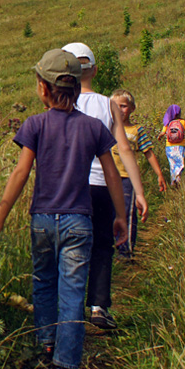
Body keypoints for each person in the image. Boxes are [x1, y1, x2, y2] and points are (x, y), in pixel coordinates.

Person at [0, 49, 128, 369]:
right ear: (76, 88)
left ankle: (46, 345)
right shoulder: (93, 127)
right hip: (79, 221)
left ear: (43, 90)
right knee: (73, 292)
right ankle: (66, 365)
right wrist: (120, 215)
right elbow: (113, 174)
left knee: (44, 285)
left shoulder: (34, 125)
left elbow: (20, 173)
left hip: (43, 221)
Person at [62, 42, 147, 330]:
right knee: (101, 245)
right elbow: (124, 149)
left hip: (68, 187)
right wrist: (140, 191)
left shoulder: (60, 102)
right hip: (100, 186)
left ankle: (70, 312)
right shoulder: (107, 104)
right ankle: (99, 306)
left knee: (71, 247)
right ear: (94, 70)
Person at [109, 89, 167, 258]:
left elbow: (148, 152)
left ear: (132, 108)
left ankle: (126, 251)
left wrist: (159, 174)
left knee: (127, 212)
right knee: (108, 212)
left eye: (124, 106)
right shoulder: (107, 126)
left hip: (128, 179)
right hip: (108, 178)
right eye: (116, 106)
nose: (120, 109)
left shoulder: (137, 130)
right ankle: (108, 248)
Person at [161, 105, 185, 186]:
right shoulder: (182, 122)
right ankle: (178, 179)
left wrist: (159, 137)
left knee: (172, 164)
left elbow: (162, 133)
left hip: (169, 146)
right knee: (180, 163)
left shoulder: (168, 123)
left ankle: (173, 180)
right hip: (180, 146)